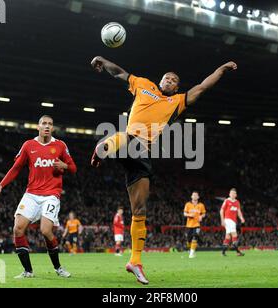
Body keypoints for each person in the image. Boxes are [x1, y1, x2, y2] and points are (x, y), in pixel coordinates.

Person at [90, 55, 237, 284]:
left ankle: (135, 262)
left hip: (143, 156)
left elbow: (203, 87)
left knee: (139, 211)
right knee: (126, 136)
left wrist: (221, 69)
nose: (169, 80)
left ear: (177, 87)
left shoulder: (177, 101)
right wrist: (102, 60)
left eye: (174, 80)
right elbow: (119, 72)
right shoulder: (143, 85)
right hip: (129, 140)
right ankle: (105, 147)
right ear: (160, 81)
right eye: (166, 77)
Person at [0, 115, 77, 278]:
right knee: (18, 228)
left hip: (51, 194)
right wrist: (1, 185)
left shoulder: (60, 145)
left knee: (45, 230)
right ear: (38, 127)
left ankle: (58, 268)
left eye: (50, 124)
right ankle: (28, 271)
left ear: (53, 128)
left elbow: (73, 168)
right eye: (44, 123)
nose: (47, 126)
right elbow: (16, 168)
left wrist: (64, 165)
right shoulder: (29, 145)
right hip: (31, 194)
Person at [220, 188, 245, 257]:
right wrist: (222, 220)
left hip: (233, 221)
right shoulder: (227, 201)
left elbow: (239, 211)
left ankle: (223, 252)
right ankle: (238, 252)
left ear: (236, 195)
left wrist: (241, 218)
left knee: (227, 236)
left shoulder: (237, 202)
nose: (233, 194)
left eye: (234, 193)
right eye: (231, 193)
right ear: (229, 194)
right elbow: (221, 210)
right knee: (234, 235)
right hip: (228, 220)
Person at [183, 191, 206, 259]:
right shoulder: (188, 204)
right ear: (191, 196)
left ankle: (192, 253)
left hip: (197, 224)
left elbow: (204, 213)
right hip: (189, 225)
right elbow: (184, 213)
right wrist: (189, 215)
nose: (195, 196)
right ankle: (190, 250)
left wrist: (201, 216)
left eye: (196, 195)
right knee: (188, 240)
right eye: (194, 195)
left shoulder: (201, 205)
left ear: (198, 197)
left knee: (195, 236)